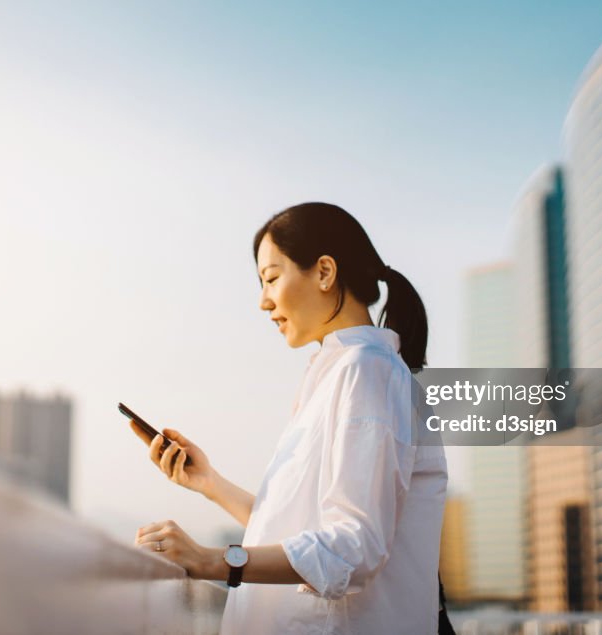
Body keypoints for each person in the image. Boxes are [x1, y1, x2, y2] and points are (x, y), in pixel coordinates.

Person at [133, 202, 449, 634]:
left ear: (323, 272)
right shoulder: (339, 373)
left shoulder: (366, 370)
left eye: (271, 278)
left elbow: (353, 547)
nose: (263, 302)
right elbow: (297, 527)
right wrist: (209, 483)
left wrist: (208, 559)